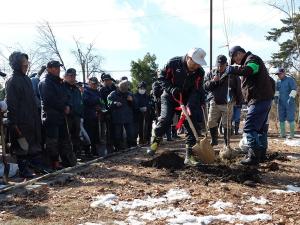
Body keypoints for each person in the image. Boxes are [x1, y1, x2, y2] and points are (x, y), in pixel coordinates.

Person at [147, 47, 207, 165]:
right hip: (169, 96)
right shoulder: (173, 63)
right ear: (189, 58)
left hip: (187, 99)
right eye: (195, 63)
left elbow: (197, 90)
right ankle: (155, 142)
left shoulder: (200, 72)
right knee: (166, 119)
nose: (197, 66)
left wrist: (189, 104)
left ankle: (189, 156)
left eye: (199, 64)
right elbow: (161, 78)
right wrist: (171, 88)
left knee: (191, 124)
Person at [227, 46, 275, 165]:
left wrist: (233, 70)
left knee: (249, 128)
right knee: (260, 129)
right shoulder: (252, 60)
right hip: (264, 99)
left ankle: (253, 157)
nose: (236, 63)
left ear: (238, 54)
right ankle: (261, 155)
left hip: (259, 99)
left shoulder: (252, 59)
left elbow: (250, 70)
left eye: (235, 59)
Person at [6, 52, 43, 178]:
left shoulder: (27, 79)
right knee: (22, 145)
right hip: (20, 120)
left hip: (31, 118)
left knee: (32, 143)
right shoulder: (12, 81)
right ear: (17, 64)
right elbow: (11, 104)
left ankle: (35, 166)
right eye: (23, 63)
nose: (26, 65)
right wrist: (14, 123)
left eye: (26, 63)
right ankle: (23, 169)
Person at [39, 61, 77, 169]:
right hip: (50, 116)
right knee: (52, 142)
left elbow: (66, 95)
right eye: (55, 68)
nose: (58, 69)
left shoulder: (59, 82)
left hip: (61, 116)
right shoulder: (45, 82)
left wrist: (68, 105)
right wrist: (63, 107)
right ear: (49, 69)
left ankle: (67, 162)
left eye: (58, 67)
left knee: (64, 140)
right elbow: (49, 100)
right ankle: (53, 164)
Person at [204, 55, 242, 146]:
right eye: (218, 65)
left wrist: (239, 101)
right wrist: (213, 81)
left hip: (228, 103)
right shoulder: (210, 74)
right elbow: (205, 87)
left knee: (226, 124)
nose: (219, 67)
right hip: (214, 102)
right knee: (211, 122)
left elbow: (238, 88)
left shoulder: (232, 75)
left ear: (226, 64)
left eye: (222, 65)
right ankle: (214, 140)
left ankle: (226, 143)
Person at [107, 80, 135, 150]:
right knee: (118, 135)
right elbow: (108, 102)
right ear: (119, 87)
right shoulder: (113, 94)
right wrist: (115, 103)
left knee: (130, 133)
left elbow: (135, 105)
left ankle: (130, 147)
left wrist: (131, 101)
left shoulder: (129, 94)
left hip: (128, 117)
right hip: (117, 117)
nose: (123, 91)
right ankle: (118, 148)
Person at [82, 77, 105, 157]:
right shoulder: (85, 91)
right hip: (88, 116)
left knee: (96, 135)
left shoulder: (98, 92)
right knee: (88, 135)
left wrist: (101, 107)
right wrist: (97, 101)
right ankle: (87, 152)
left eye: (96, 83)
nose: (94, 85)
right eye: (93, 83)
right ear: (89, 83)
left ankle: (95, 151)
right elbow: (87, 101)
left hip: (96, 116)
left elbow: (102, 101)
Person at [63, 68, 83, 157]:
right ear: (66, 76)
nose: (72, 78)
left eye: (74, 76)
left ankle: (77, 153)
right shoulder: (62, 87)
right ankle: (69, 155)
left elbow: (80, 102)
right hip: (67, 116)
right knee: (67, 136)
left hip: (76, 115)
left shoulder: (77, 89)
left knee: (76, 135)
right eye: (70, 76)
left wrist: (80, 113)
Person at [274, 68, 297, 139]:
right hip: (281, 103)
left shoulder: (290, 80)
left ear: (284, 73)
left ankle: (292, 134)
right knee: (281, 118)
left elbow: (294, 89)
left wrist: (291, 98)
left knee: (290, 118)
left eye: (280, 74)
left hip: (289, 102)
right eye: (277, 74)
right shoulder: (278, 82)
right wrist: (276, 97)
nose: (279, 76)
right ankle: (282, 134)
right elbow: (277, 91)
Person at [99, 73, 117, 153]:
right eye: (105, 80)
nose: (107, 82)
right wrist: (105, 110)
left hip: (116, 112)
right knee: (108, 131)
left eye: (108, 80)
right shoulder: (101, 90)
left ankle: (116, 145)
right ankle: (109, 147)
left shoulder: (115, 88)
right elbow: (101, 101)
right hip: (106, 113)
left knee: (116, 130)